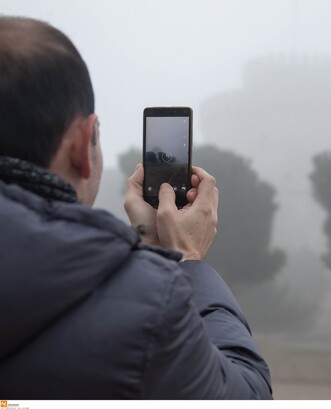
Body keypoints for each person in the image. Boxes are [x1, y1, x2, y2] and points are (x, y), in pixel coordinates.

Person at [0, 16, 272, 399]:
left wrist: (148, 241)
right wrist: (186, 259)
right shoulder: (149, 311)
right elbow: (247, 397)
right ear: (83, 145)